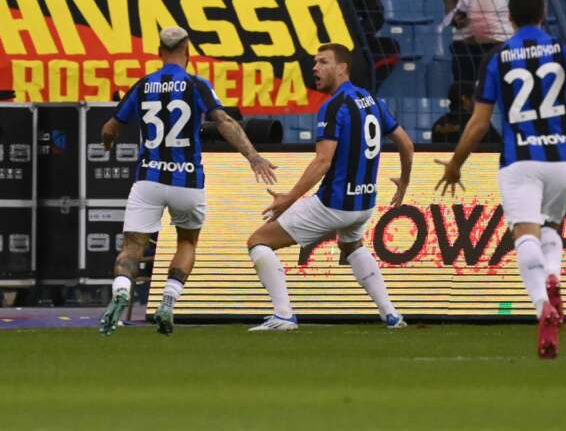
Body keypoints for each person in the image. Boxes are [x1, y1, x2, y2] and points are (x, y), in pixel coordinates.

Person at [436, 0, 566, 359]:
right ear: (543, 13)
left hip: (521, 160)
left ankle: (542, 303)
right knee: (551, 228)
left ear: (509, 16)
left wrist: (455, 163)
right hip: (563, 158)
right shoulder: (561, 48)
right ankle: (554, 274)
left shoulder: (499, 56)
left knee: (524, 234)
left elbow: (480, 122)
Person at [98, 26, 277, 336]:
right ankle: (168, 301)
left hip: (148, 180)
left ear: (158, 53)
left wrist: (108, 143)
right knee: (186, 242)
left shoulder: (143, 85)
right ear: (189, 53)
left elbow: (111, 127)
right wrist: (253, 156)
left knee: (132, 247)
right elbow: (224, 121)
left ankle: (121, 291)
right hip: (187, 182)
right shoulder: (196, 84)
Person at [247, 43, 415, 331]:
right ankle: (391, 314)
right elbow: (406, 143)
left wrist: (289, 198)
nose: (315, 68)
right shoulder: (371, 99)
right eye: (315, 62)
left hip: (334, 204)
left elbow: (322, 161)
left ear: (342, 68)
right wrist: (404, 180)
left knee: (258, 242)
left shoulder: (333, 106)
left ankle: (283, 315)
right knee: (352, 244)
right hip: (363, 204)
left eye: (323, 62)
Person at [431, 81, 502, 144]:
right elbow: (498, 146)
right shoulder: (478, 122)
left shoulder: (438, 124)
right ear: (465, 99)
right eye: (476, 97)